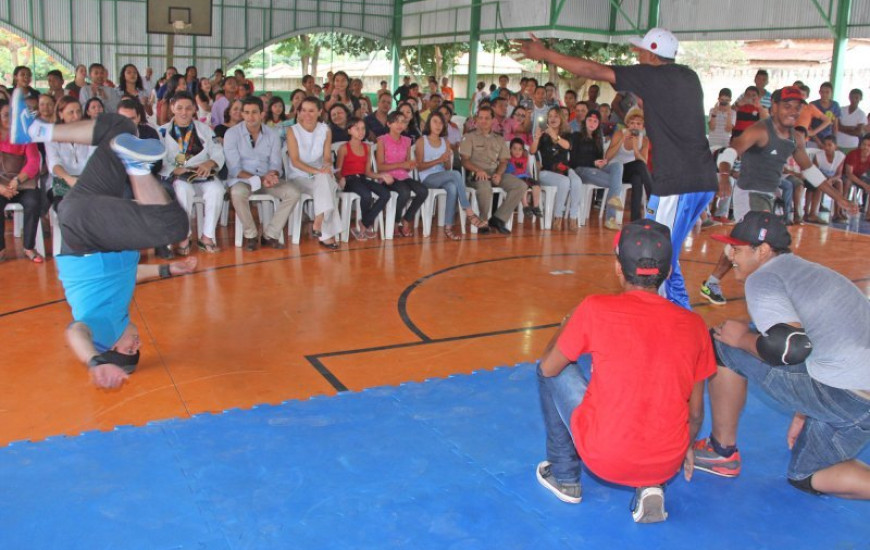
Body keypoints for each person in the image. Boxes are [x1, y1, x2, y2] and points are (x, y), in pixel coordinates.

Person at [516, 28, 720, 309]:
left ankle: (678, 319)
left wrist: (546, 54)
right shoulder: (689, 77)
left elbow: (593, 69)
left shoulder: (652, 75)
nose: (637, 55)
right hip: (704, 180)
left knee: (660, 257)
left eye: (640, 51)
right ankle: (666, 316)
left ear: (651, 53)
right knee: (662, 252)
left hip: (678, 183)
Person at [11, 88, 195, 388]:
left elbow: (75, 332)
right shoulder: (116, 309)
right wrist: (168, 269)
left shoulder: (102, 332)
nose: (135, 346)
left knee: (173, 227)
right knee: (121, 127)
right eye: (138, 352)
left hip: (87, 237)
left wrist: (94, 361)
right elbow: (125, 273)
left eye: (127, 353)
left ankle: (135, 167)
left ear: (109, 349)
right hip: (84, 212)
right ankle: (34, 129)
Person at [536, 219, 715, 523]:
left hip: (605, 456)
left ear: (618, 268)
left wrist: (566, 325)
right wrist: (683, 447)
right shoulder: (695, 325)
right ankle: (651, 483)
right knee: (657, 386)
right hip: (667, 461)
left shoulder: (594, 308)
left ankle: (565, 475)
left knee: (549, 371)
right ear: (668, 272)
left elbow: (549, 365)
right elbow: (696, 414)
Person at [696, 212, 870, 499]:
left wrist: (739, 339)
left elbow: (787, 347)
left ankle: (720, 452)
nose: (731, 256)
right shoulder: (811, 271)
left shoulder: (764, 278)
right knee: (806, 475)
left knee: (723, 341)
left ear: (762, 251)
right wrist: (805, 408)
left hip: (844, 395)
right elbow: (822, 339)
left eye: (736, 249)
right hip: (858, 396)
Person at [699, 87, 857, 306]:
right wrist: (724, 177)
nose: (792, 111)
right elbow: (730, 152)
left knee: (746, 241)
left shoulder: (795, 138)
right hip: (750, 192)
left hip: (768, 195)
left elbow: (809, 170)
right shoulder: (760, 131)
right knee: (762, 242)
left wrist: (839, 198)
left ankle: (714, 282)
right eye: (787, 106)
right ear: (774, 107)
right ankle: (762, 295)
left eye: (797, 107)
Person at [225, 96, 301, 251]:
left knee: (293, 192)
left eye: (254, 112)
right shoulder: (232, 134)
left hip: (267, 179)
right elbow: (234, 168)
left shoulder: (272, 133)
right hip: (243, 179)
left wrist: (271, 175)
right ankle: (251, 235)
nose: (250, 116)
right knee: (237, 193)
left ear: (262, 114)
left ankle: (270, 235)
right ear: (242, 114)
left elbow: (275, 163)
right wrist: (259, 178)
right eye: (246, 112)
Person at [158, 92, 225, 254]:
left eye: (188, 108)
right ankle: (184, 237)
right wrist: (174, 169)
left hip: (203, 172)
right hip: (180, 175)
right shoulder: (162, 132)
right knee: (183, 191)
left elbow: (217, 151)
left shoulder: (205, 129)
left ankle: (207, 237)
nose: (184, 112)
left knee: (217, 190)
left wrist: (210, 163)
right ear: (172, 108)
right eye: (179, 108)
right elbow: (159, 160)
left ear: (195, 109)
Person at [415, 112, 489, 240]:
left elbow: (447, 168)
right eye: (435, 122)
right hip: (427, 178)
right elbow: (419, 166)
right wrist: (438, 160)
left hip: (442, 176)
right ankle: (469, 211)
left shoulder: (445, 142)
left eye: (441, 122)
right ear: (429, 124)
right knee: (455, 174)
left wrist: (446, 160)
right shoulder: (422, 141)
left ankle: (448, 227)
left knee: (452, 187)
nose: (438, 125)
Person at [285, 96, 342, 249]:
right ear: (298, 112)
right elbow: (295, 161)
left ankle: (319, 219)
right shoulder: (292, 131)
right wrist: (318, 171)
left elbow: (327, 157)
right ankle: (326, 232)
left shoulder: (325, 130)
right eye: (303, 110)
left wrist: (326, 166)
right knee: (327, 184)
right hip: (299, 175)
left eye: (311, 111)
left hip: (320, 175)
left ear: (319, 112)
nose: (307, 115)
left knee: (324, 181)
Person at [459, 106, 526, 235]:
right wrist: (478, 170)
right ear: (476, 119)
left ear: (492, 120)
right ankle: (484, 220)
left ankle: (498, 219)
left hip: (495, 172)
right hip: (475, 174)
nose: (483, 121)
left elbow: (504, 161)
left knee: (520, 185)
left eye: (487, 118)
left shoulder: (499, 139)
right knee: (485, 188)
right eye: (481, 118)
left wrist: (499, 174)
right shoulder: (469, 137)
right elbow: (464, 160)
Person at [0, 98, 43, 263]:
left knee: (33, 202)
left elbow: (33, 163)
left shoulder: (25, 135)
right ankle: (1, 249)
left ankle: (29, 247)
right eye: (5, 115)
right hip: (1, 185)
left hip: (22, 182)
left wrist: (17, 180)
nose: (10, 119)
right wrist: (2, 188)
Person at [335, 117, 392, 241]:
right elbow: (337, 171)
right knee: (366, 195)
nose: (361, 132)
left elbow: (368, 172)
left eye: (363, 129)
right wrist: (341, 179)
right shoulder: (344, 148)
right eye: (357, 129)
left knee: (385, 193)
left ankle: (364, 223)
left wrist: (381, 175)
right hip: (349, 180)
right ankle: (364, 227)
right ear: (349, 131)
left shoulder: (367, 147)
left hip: (362, 178)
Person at [569, 110, 625, 230]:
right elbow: (573, 161)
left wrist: (602, 162)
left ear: (598, 123)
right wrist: (593, 163)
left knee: (618, 165)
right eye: (590, 120)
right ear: (585, 121)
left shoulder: (598, 139)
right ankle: (611, 218)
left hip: (595, 170)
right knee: (615, 184)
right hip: (581, 170)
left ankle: (612, 210)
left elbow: (598, 160)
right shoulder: (576, 136)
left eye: (595, 121)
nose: (592, 123)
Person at [377, 111, 429, 238]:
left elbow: (406, 166)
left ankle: (407, 219)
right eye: (396, 121)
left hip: (403, 176)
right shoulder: (382, 140)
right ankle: (395, 222)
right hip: (388, 177)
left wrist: (411, 165)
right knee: (404, 192)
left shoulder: (407, 141)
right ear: (388, 124)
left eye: (403, 121)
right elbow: (380, 166)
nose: (400, 124)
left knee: (423, 191)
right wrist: (402, 165)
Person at [530, 107, 582, 231]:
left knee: (577, 182)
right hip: (546, 172)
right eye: (550, 116)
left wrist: (555, 135)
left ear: (561, 119)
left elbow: (568, 146)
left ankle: (573, 217)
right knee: (564, 182)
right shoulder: (543, 134)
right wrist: (537, 137)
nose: (553, 119)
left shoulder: (568, 134)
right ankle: (558, 217)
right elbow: (532, 151)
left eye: (556, 116)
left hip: (563, 168)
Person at [45, 96, 96, 212]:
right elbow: (55, 164)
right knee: (67, 207)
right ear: (61, 114)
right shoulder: (52, 135)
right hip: (61, 182)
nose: (76, 116)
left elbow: (94, 159)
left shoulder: (89, 132)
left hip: (86, 180)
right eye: (71, 113)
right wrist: (69, 179)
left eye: (78, 112)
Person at [605, 108, 652, 221]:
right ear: (627, 124)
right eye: (632, 123)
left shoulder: (644, 140)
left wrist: (636, 149)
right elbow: (607, 157)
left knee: (637, 178)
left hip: (631, 172)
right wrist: (622, 140)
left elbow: (644, 163)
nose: (635, 126)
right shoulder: (619, 134)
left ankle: (635, 219)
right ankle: (652, 199)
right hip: (615, 170)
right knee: (639, 167)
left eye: (638, 124)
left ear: (642, 126)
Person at [505, 138, 542, 219]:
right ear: (510, 150)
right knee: (523, 186)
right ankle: (525, 206)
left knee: (536, 185)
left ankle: (536, 206)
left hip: (526, 177)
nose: (517, 151)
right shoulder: (509, 159)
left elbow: (529, 152)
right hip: (516, 179)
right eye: (514, 149)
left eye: (520, 149)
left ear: (523, 150)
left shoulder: (524, 158)